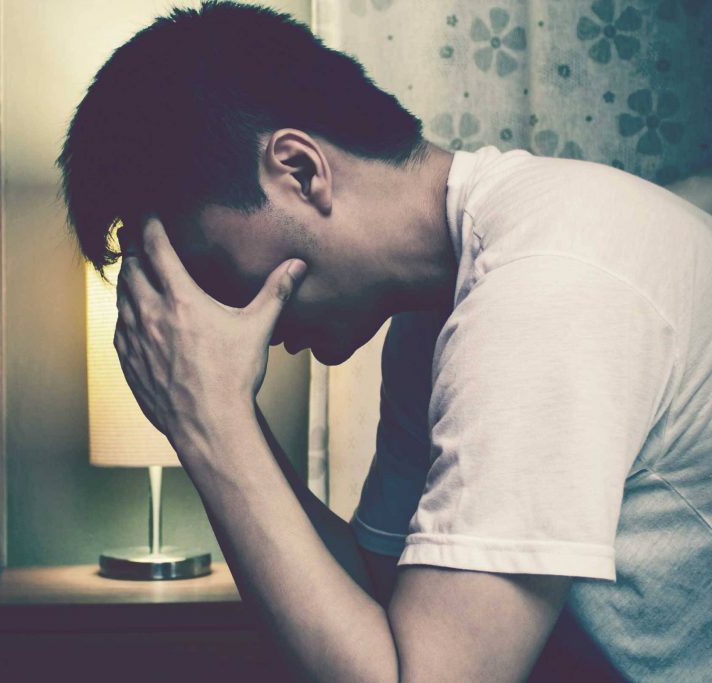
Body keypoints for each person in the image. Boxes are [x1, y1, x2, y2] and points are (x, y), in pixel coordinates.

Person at [56, 2, 712, 681]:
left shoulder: (541, 287)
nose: (230, 313)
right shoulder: (438, 311)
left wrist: (212, 422)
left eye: (215, 271)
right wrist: (219, 413)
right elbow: (374, 599)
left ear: (300, 171)